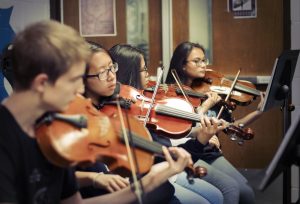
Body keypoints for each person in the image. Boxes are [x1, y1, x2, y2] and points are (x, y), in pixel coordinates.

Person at [0, 20, 194, 204]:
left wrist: (148, 182)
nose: (80, 91)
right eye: (74, 80)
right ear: (42, 83)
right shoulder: (7, 139)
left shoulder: (53, 131)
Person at [109, 43, 233, 204]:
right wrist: (200, 127)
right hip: (158, 175)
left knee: (218, 195)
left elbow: (172, 136)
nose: (149, 75)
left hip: (167, 170)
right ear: (129, 73)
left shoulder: (145, 106)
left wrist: (199, 134)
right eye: (144, 69)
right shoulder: (121, 113)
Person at [165, 41, 265, 204]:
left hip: (210, 152)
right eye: (197, 61)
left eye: (204, 60)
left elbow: (232, 127)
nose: (203, 65)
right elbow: (181, 131)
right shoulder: (172, 95)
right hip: (192, 152)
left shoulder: (210, 93)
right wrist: (203, 109)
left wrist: (259, 112)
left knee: (246, 193)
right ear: (182, 65)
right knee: (231, 190)